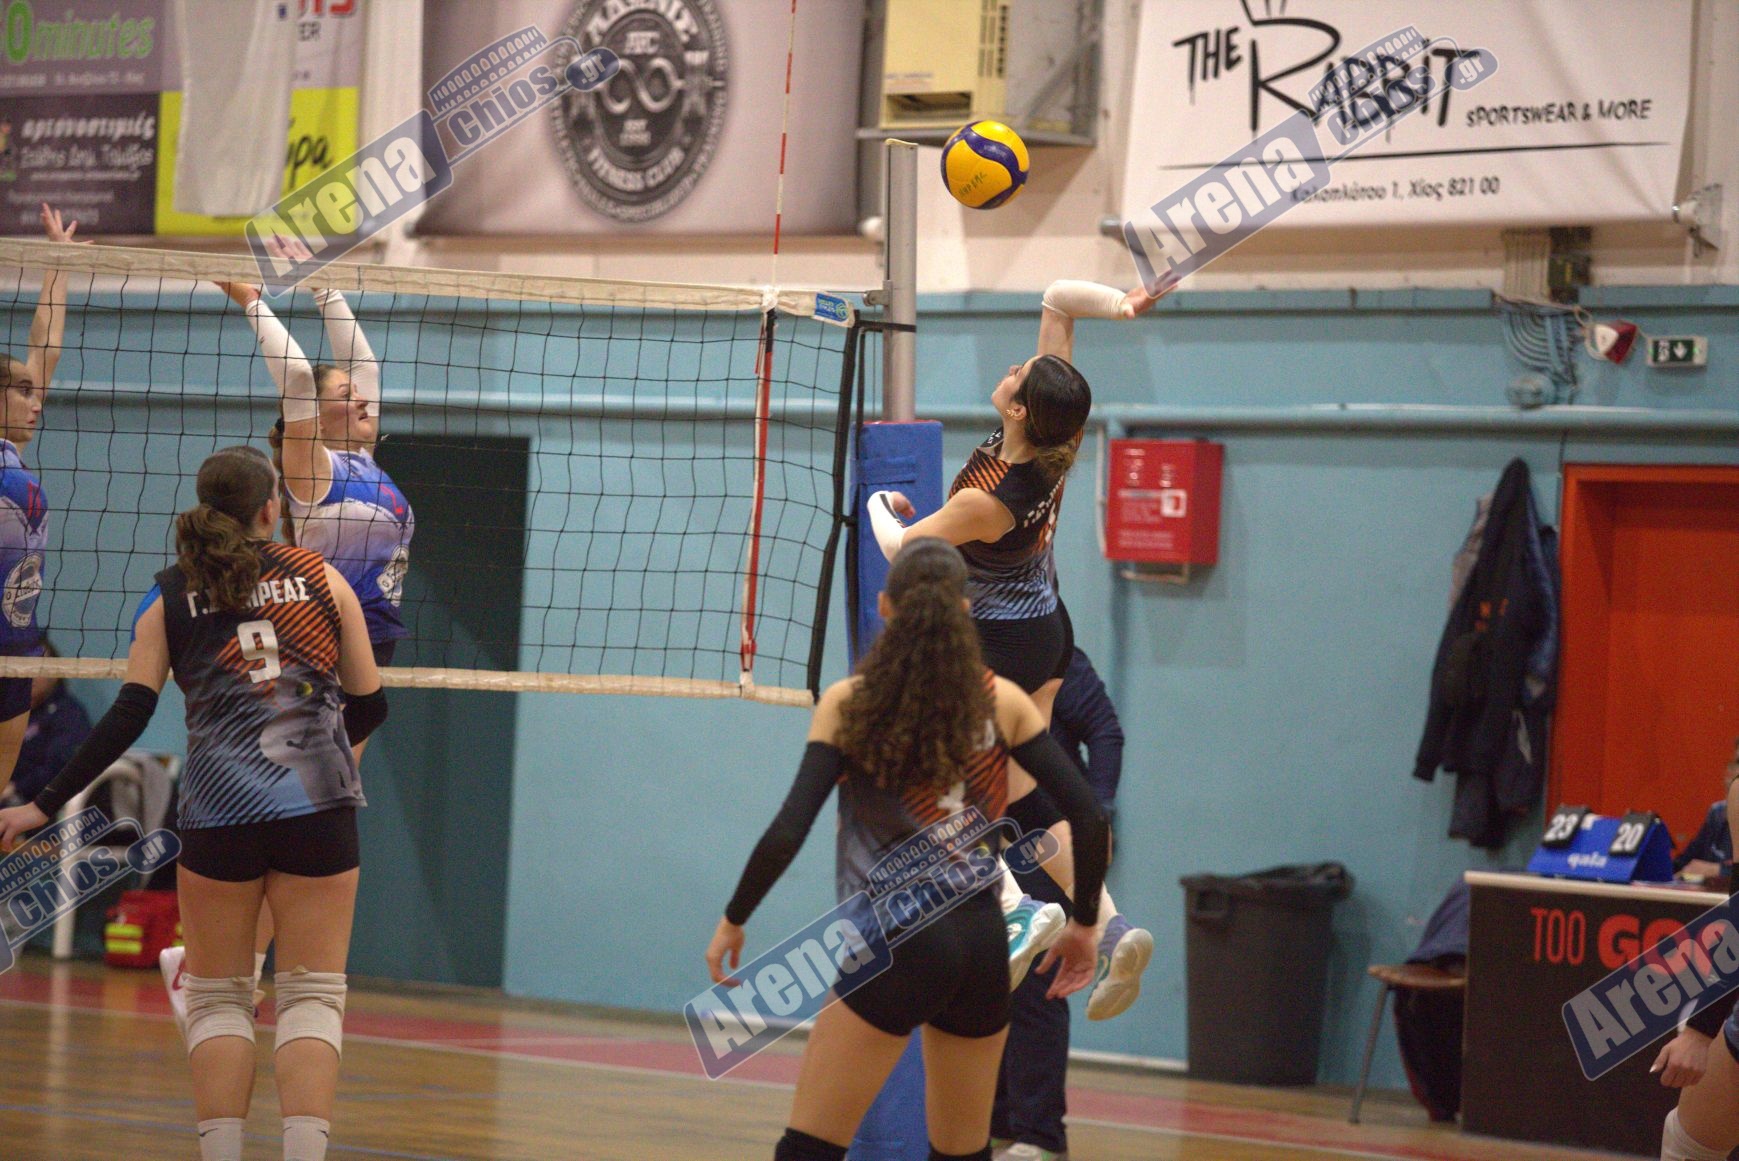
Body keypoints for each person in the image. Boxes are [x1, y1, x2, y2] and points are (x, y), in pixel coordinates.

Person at [0, 445, 387, 1161]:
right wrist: (319, 753)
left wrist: (40, 806)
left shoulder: (168, 596)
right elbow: (370, 704)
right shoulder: (322, 578)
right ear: (271, 508)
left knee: (219, 999)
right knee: (312, 996)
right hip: (318, 809)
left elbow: (127, 715)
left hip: (217, 815)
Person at [706, 539, 1108, 1161]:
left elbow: (789, 828)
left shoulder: (851, 702)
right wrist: (1085, 925)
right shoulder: (1002, 700)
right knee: (962, 1154)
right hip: (981, 945)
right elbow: (1087, 814)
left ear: (886, 606)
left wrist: (735, 918)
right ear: (965, 610)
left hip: (895, 941)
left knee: (808, 1149)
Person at [865, 275, 1169, 1020]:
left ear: (1020, 409)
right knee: (1027, 792)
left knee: (938, 784)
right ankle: (1114, 926)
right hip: (1049, 635)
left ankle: (1013, 907)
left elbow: (901, 548)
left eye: (1017, 374)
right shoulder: (1057, 446)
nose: (1010, 368)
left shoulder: (985, 501)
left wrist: (876, 500)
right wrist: (1121, 304)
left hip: (996, 644)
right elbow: (1059, 300)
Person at [165, 236, 415, 1025]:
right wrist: (253, 300)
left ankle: (218, 967)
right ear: (313, 415)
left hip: (364, 654)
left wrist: (324, 285)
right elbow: (303, 382)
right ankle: (214, 968)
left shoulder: (364, 454)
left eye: (363, 395)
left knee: (311, 812)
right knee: (308, 813)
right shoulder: (313, 469)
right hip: (324, 659)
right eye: (346, 397)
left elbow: (360, 362)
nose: (363, 399)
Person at [991, 646, 1125, 1161]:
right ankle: (997, 1122)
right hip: (991, 835)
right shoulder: (968, 655)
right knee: (992, 979)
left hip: (1046, 835)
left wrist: (1096, 812)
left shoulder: (1052, 650)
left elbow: (1105, 731)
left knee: (1036, 986)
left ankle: (1041, 1135)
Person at [0, 204, 83, 803]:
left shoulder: (15, 456)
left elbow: (44, 347)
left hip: (18, 649)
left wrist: (57, 263)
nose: (38, 402)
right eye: (23, 391)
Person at [0, 640, 92, 807]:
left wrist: (16, 788)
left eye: (37, 668)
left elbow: (61, 766)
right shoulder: (9, 711)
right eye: (24, 667)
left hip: (36, 801)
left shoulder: (68, 714)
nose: (29, 675)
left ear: (55, 673)